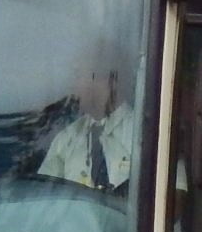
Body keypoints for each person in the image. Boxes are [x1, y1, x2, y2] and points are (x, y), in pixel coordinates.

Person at [38, 53, 135, 192]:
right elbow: (45, 197)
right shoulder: (66, 140)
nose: (73, 86)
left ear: (108, 81)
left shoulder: (141, 133)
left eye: (78, 76)